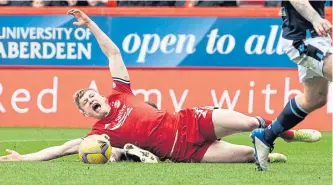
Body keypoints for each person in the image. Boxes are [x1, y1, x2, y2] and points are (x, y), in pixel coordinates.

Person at [0, 9, 321, 164]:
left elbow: (113, 52)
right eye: (86, 103)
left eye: (90, 94)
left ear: (98, 93)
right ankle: (268, 153)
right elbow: (60, 150)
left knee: (251, 122)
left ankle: (290, 133)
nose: (92, 100)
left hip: (189, 121)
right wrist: (23, 159)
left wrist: (92, 25)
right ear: (86, 113)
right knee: (251, 158)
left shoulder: (119, 92)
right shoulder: (100, 134)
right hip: (182, 153)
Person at [251, 0, 332, 171]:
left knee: (315, 98)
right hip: (302, 40)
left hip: (318, 38)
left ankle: (266, 136)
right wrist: (317, 19)